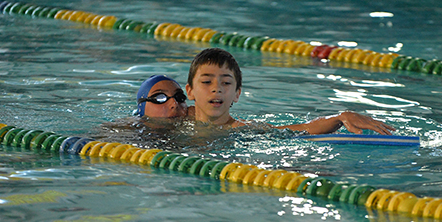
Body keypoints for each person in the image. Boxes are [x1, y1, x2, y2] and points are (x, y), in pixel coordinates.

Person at [137, 49, 395, 135]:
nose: (217, 88)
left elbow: (298, 129)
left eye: (226, 83)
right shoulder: (180, 119)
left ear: (237, 94)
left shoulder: (240, 129)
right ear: (191, 91)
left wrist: (340, 117)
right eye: (207, 82)